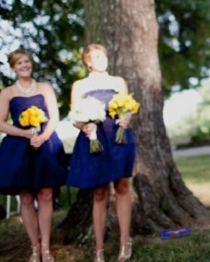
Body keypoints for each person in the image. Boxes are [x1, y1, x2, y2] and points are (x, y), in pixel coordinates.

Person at [0, 48, 68, 262]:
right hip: (19, 147)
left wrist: (43, 136)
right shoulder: (7, 92)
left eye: (26, 61)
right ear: (13, 67)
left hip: (45, 143)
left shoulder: (45, 87)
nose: (24, 66)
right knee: (26, 197)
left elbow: (54, 116)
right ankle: (34, 248)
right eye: (19, 63)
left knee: (45, 195)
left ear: (31, 63)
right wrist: (26, 133)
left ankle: (46, 247)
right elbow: (0, 122)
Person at [67, 43, 136, 262]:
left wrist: (126, 118)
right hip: (93, 140)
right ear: (87, 62)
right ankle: (99, 249)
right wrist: (84, 126)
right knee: (99, 192)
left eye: (103, 55)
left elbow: (127, 107)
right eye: (96, 56)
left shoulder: (118, 82)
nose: (101, 59)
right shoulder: (79, 85)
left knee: (123, 187)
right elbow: (75, 116)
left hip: (118, 137)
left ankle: (126, 241)